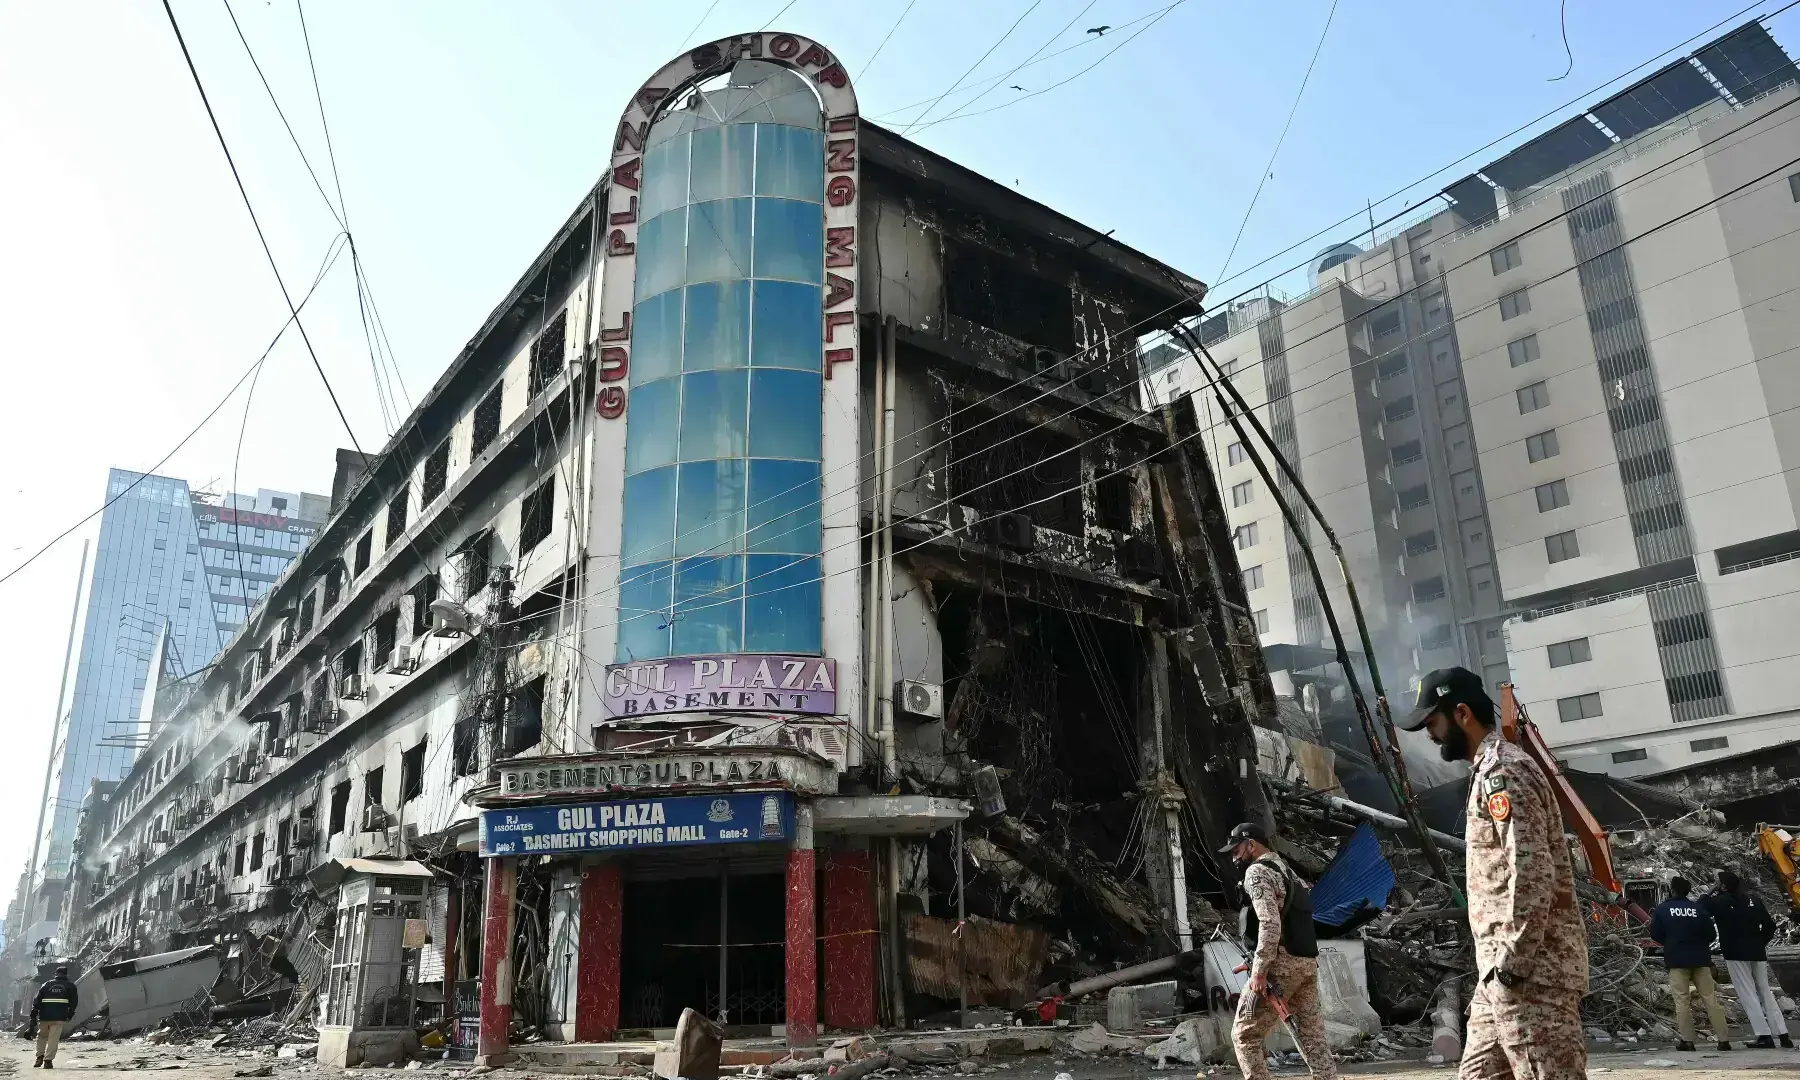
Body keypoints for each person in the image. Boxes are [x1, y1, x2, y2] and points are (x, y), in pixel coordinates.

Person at [1399, 668, 1588, 1080]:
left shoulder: (1506, 772)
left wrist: (1512, 965)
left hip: (1531, 975)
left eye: (1432, 723)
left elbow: (1532, 872)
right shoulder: (1486, 771)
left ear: (1462, 713)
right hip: (1499, 979)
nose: (1428, 735)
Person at [1222, 820, 1338, 1080]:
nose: (1233, 859)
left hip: (1279, 968)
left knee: (1245, 1036)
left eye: (1236, 851)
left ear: (1251, 845)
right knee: (1312, 1038)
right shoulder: (1287, 869)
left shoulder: (1257, 873)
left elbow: (1269, 921)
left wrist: (1260, 970)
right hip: (1306, 963)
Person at [1706, 870, 1790, 1048]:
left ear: (1722, 886)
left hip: (1735, 954)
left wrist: (1710, 891)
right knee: (1765, 991)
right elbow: (1770, 925)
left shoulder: (1719, 902)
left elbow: (1700, 907)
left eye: (1717, 882)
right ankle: (1783, 1034)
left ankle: (1764, 1035)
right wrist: (1760, 942)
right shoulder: (1754, 900)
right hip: (1757, 952)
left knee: (1748, 993)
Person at [1650, 877, 1731, 1051]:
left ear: (1672, 890)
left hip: (1677, 960)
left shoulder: (1663, 909)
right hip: (1701, 960)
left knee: (1681, 1001)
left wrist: (1671, 942)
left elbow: (1655, 934)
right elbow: (1711, 934)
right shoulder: (1698, 909)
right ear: (1687, 891)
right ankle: (1724, 1040)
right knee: (1711, 999)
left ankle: (1688, 1041)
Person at [30, 965, 78, 1069]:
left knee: (41, 1036)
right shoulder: (70, 986)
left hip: (44, 1016)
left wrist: (33, 1015)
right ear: (66, 974)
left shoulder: (46, 984)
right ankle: (48, 1061)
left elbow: (36, 1001)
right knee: (53, 1038)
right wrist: (70, 1015)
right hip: (59, 1017)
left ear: (55, 974)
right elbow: (74, 1003)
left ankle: (39, 1056)